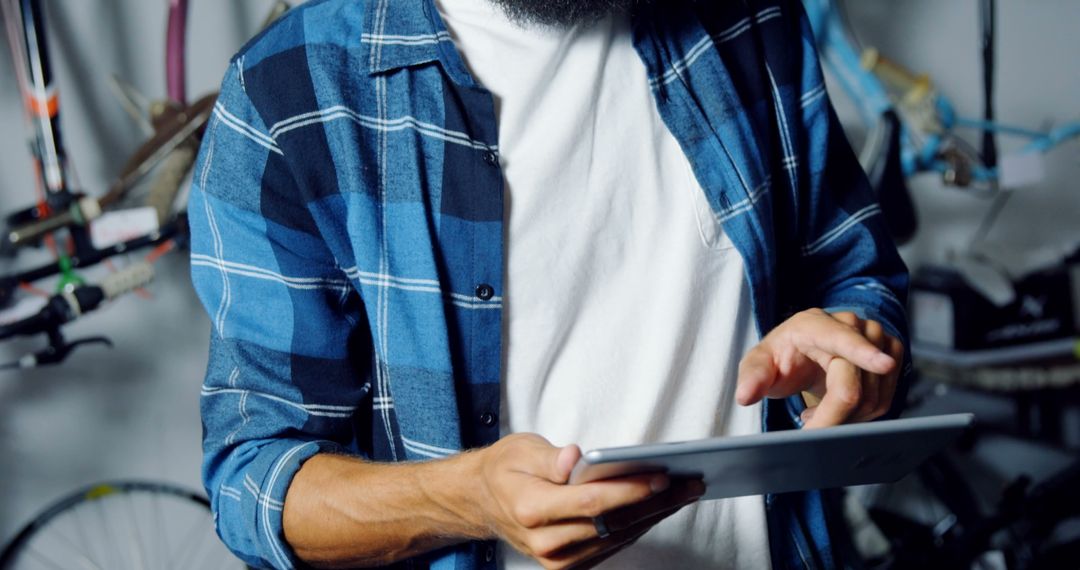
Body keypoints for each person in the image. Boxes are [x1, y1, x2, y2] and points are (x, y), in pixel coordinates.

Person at [189, 0, 909, 568]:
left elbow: (855, 272)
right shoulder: (289, 91)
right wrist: (467, 499)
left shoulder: (749, 16)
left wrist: (851, 354)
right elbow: (256, 479)